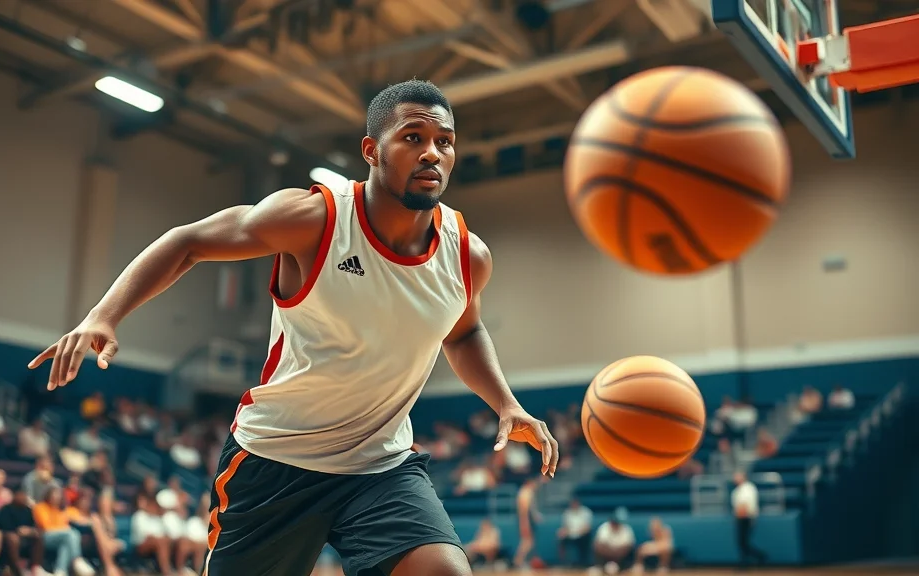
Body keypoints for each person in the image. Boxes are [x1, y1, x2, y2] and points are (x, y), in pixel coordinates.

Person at [28, 78, 559, 576]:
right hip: (275, 461)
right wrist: (103, 314)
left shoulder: (467, 256)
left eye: (444, 141)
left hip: (380, 465)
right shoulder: (314, 220)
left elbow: (463, 333)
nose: (431, 153)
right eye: (413, 137)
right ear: (371, 151)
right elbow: (188, 241)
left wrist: (506, 402)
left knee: (443, 571)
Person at [0, 487, 47, 576]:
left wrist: (30, 531)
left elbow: (33, 526)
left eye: (25, 495)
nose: (23, 497)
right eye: (21, 494)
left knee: (38, 535)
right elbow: (4, 526)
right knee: (13, 538)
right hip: (7, 537)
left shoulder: (28, 510)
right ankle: (17, 570)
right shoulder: (6, 509)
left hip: (26, 537)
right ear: (15, 495)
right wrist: (18, 531)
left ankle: (35, 568)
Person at [731, 471, 767, 567]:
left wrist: (741, 516)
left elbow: (744, 507)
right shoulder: (738, 490)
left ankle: (758, 557)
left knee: (743, 542)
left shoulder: (747, 488)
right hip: (741, 519)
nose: (735, 478)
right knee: (742, 542)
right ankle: (747, 560)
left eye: (737, 476)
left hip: (746, 518)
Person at [513, 476, 545, 568]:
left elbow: (531, 509)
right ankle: (518, 560)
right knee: (527, 542)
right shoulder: (525, 492)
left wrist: (535, 517)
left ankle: (520, 560)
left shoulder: (528, 492)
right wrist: (524, 523)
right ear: (529, 483)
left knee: (528, 541)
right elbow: (524, 510)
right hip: (525, 519)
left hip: (527, 519)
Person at [591, 509, 635, 575]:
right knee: (597, 547)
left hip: (621, 556)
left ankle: (623, 568)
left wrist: (616, 553)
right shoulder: (604, 527)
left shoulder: (626, 529)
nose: (614, 525)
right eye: (613, 523)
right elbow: (598, 544)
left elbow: (628, 546)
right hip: (605, 555)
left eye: (616, 523)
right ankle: (600, 567)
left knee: (629, 551)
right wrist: (610, 552)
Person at [557, 498, 593, 567]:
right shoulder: (567, 513)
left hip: (582, 535)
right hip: (570, 535)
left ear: (578, 503)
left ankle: (583, 563)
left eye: (575, 503)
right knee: (561, 538)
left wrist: (578, 532)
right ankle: (564, 562)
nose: (574, 505)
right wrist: (563, 532)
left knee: (585, 538)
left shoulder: (586, 512)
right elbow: (565, 527)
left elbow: (587, 528)